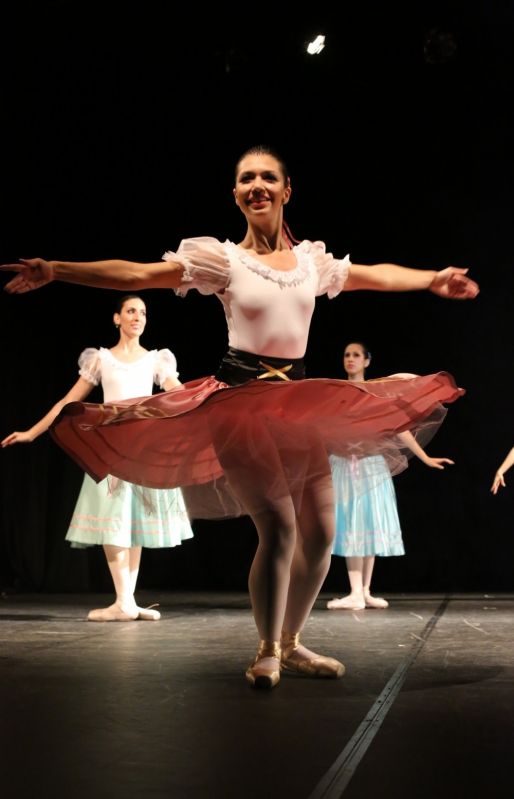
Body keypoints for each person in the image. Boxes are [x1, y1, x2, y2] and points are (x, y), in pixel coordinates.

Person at [1, 144, 479, 689]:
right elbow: (137, 272)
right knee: (277, 529)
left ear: (286, 189)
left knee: (321, 534)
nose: (257, 185)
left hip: (298, 406)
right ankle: (268, 650)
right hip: (239, 404)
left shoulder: (310, 263)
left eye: (267, 178)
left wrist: (432, 278)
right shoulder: (223, 259)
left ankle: (294, 643)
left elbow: (374, 275)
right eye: (246, 178)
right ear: (235, 193)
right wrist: (55, 269)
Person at [1, 294, 193, 621]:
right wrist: (33, 432)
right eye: (131, 311)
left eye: (143, 312)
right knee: (114, 521)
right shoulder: (102, 359)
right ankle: (124, 601)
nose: (137, 317)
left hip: (144, 449)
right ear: (116, 318)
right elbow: (68, 401)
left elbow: (181, 393)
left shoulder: (156, 361)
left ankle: (127, 601)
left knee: (134, 524)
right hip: (111, 449)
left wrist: (214, 402)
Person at [327, 341, 454, 611]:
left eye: (356, 355)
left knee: (369, 525)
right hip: (346, 464)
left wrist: (424, 457)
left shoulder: (376, 392)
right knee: (350, 526)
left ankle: (364, 591)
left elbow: (398, 426)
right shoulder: (338, 392)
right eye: (347, 354)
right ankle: (354, 592)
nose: (350, 359)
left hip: (371, 466)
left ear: (367, 361)